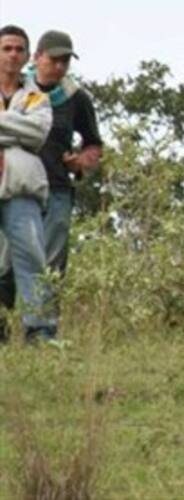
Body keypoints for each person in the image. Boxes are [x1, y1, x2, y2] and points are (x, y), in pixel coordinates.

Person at [29, 30, 103, 277]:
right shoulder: (16, 89)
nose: (59, 66)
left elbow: (94, 144)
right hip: (15, 187)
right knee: (5, 269)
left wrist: (81, 162)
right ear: (37, 57)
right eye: (54, 59)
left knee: (51, 269)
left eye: (65, 61)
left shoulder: (76, 98)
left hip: (56, 189)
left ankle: (44, 317)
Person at [0, 25, 56, 343]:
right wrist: (16, 127)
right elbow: (26, 131)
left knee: (32, 259)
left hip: (22, 188)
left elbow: (37, 134)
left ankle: (41, 331)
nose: (13, 54)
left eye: (19, 49)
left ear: (27, 56)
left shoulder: (38, 97)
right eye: (7, 48)